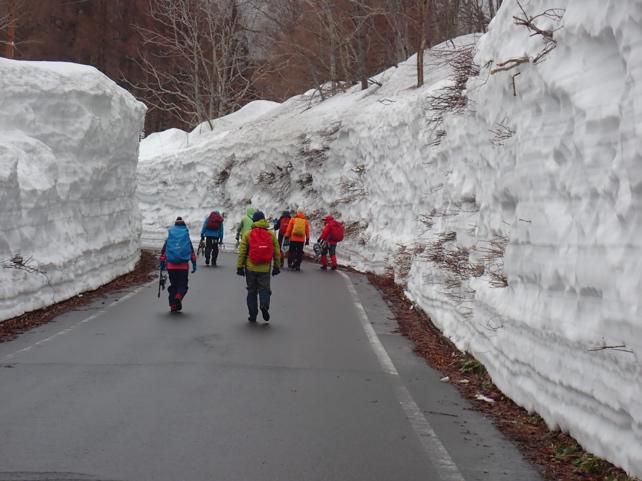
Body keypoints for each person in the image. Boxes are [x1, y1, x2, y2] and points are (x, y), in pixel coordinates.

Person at [236, 211, 281, 323]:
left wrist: (239, 267)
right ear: (263, 220)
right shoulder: (271, 234)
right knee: (264, 289)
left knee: (251, 291)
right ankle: (264, 305)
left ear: (254, 221)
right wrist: (276, 266)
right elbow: (276, 252)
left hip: (250, 268)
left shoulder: (248, 234)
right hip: (265, 268)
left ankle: (252, 315)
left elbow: (242, 252)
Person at [159, 217, 197, 312]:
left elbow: (163, 252)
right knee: (183, 285)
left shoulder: (170, 236)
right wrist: (194, 264)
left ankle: (172, 305)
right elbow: (191, 252)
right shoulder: (186, 236)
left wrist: (162, 265)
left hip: (171, 266)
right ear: (184, 225)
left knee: (174, 285)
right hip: (183, 266)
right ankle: (178, 297)